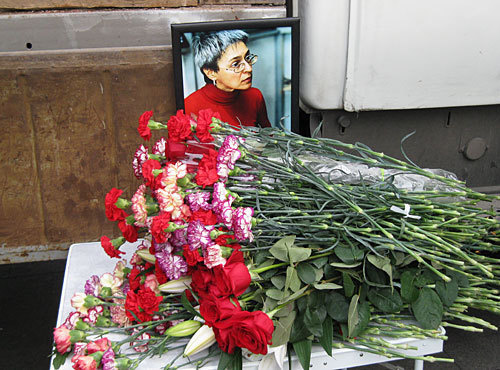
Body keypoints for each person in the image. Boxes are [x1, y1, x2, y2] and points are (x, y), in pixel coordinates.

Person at [184, 30, 272, 128]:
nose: (249, 68)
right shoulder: (189, 107)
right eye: (235, 64)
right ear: (211, 72)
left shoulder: (254, 96)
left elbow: (269, 137)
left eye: (247, 57)